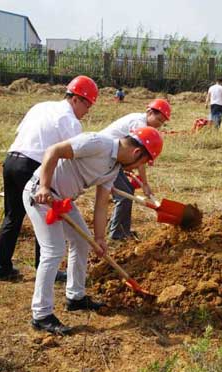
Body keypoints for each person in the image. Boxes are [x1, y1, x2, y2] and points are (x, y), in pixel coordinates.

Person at [23, 127, 164, 334]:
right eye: (141, 164)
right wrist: (44, 186)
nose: (137, 169)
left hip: (63, 201)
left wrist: (99, 238)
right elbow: (53, 151)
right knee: (53, 251)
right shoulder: (98, 143)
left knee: (83, 242)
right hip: (41, 195)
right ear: (136, 153)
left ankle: (75, 297)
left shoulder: (114, 169)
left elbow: (101, 205)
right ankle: (41, 314)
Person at [0, 75, 98, 282]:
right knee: (44, 217)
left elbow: (21, 132)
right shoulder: (70, 122)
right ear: (76, 98)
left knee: (12, 216)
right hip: (33, 166)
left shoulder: (41, 106)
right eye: (88, 105)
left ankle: (2, 268)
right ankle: (43, 266)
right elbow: (69, 156)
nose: (87, 112)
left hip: (11, 162)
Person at [98, 99, 171, 240]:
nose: (159, 125)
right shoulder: (139, 124)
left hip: (115, 157)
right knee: (124, 196)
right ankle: (116, 236)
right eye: (158, 119)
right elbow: (139, 159)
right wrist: (144, 183)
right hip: (105, 157)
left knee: (128, 191)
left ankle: (122, 230)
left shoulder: (140, 121)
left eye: (162, 122)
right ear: (149, 112)